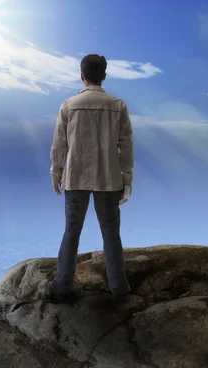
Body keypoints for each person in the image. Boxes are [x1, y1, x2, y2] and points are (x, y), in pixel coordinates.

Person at [47, 54, 134, 302]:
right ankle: (119, 288)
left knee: (71, 231)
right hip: (108, 177)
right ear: (104, 76)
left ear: (82, 75)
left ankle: (62, 286)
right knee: (111, 232)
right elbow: (125, 146)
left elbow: (58, 145)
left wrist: (56, 172)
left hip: (74, 177)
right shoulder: (118, 105)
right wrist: (127, 178)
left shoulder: (68, 105)